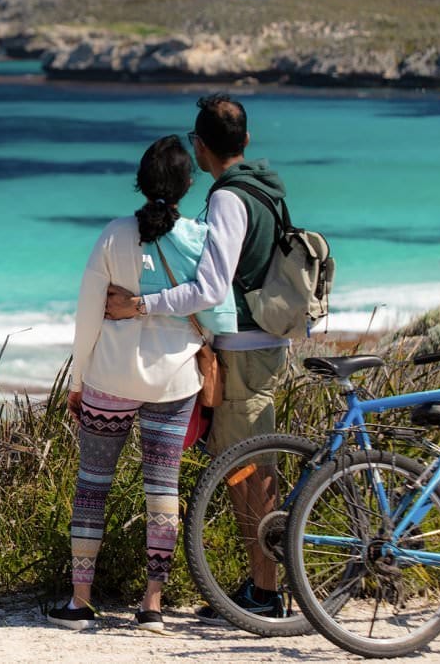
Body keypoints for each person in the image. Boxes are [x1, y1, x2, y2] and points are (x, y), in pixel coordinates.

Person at [105, 93, 290, 624]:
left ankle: (266, 590)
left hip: (247, 346)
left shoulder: (230, 199)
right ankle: (262, 584)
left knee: (247, 469)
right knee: (250, 465)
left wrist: (142, 305)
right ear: (246, 141)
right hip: (265, 341)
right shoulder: (265, 189)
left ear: (200, 146)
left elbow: (210, 289)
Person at [48, 135, 236, 635]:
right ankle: (152, 604)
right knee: (162, 489)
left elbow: (88, 317)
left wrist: (78, 380)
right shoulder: (198, 238)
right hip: (174, 382)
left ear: (140, 181)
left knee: (92, 485)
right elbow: (216, 315)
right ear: (187, 184)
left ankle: (80, 599)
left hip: (109, 376)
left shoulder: (112, 235)